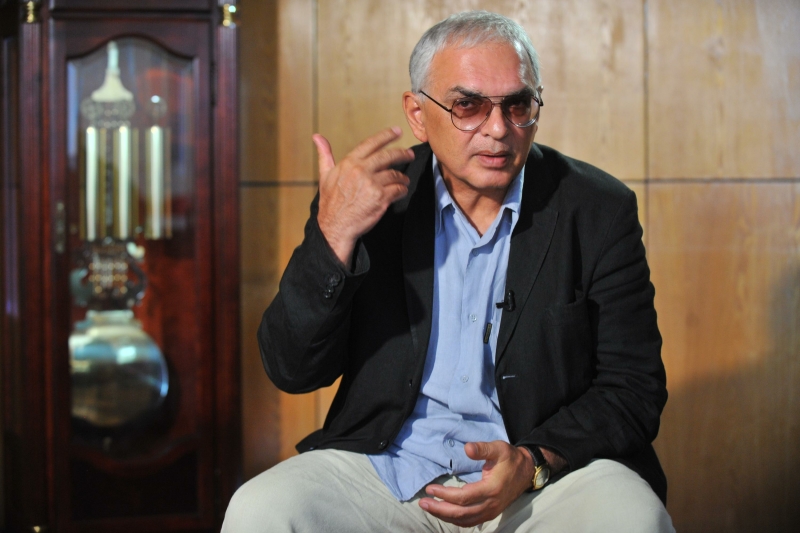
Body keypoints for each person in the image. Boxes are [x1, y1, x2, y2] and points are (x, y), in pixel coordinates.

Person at [224, 10, 674, 532]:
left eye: (518, 105)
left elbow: (633, 388)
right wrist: (334, 235)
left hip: (541, 478)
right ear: (418, 114)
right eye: (468, 105)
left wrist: (532, 461)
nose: (498, 129)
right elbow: (292, 369)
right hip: (388, 466)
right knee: (261, 510)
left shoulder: (597, 209)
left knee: (633, 516)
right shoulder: (367, 202)